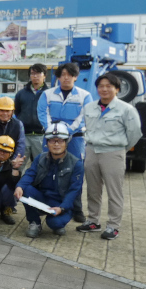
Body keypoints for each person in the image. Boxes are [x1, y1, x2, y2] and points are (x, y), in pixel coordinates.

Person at [76, 73, 143, 240]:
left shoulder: (126, 109)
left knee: (115, 191)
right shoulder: (89, 107)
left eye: (108, 86)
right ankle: (93, 221)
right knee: (92, 189)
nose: (104, 89)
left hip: (113, 153)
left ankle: (113, 226)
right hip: (92, 151)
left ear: (117, 89)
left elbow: (135, 133)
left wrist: (120, 149)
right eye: (101, 86)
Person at [37, 62, 93, 222]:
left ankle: (76, 209)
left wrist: (67, 131)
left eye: (70, 75)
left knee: (75, 173)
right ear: (58, 77)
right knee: (46, 170)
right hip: (50, 138)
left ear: (76, 77)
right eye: (63, 75)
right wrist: (53, 131)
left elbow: (85, 116)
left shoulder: (84, 95)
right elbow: (42, 112)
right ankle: (45, 205)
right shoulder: (47, 94)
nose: (66, 78)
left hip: (75, 140)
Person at [15, 123, 83, 238]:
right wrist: (19, 186)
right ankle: (34, 223)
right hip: (43, 199)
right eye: (52, 141)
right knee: (25, 188)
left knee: (55, 224)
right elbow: (30, 174)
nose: (56, 144)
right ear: (47, 143)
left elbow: (74, 191)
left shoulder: (76, 164)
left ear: (66, 143)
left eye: (60, 141)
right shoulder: (40, 158)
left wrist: (62, 208)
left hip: (62, 203)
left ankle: (58, 222)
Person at [14, 63, 48, 168]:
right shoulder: (21, 94)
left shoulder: (49, 93)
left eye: (38, 73)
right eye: (33, 73)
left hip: (41, 135)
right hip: (24, 135)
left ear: (44, 76)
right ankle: (17, 183)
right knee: (19, 164)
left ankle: (39, 185)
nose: (35, 76)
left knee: (41, 165)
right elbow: (17, 111)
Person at [0, 135, 23, 225]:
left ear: (10, 154)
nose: (2, 153)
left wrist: (15, 169)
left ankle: (6, 213)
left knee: (9, 188)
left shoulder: (11, 166)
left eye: (6, 152)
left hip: (0, 198)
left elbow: (14, 185)